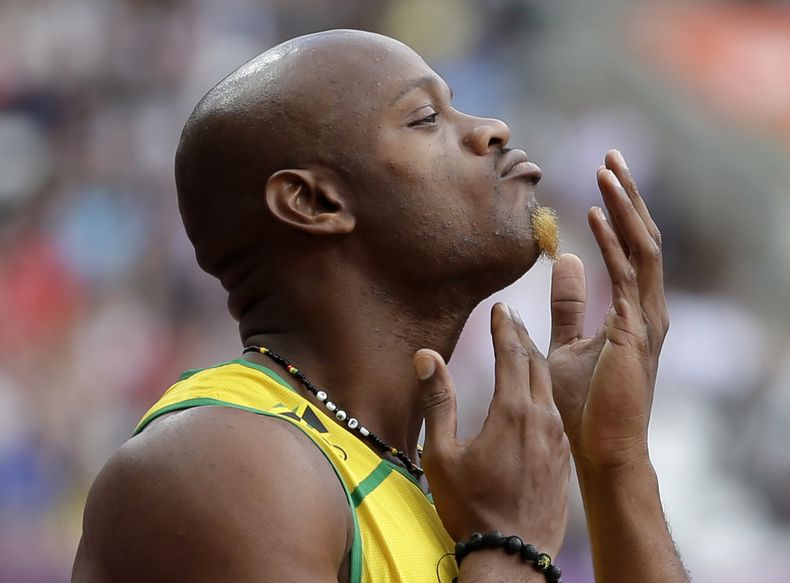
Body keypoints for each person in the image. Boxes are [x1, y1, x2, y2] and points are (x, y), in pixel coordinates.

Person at [72, 29, 689, 583]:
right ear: (314, 203)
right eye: (426, 118)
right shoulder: (220, 463)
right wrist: (511, 546)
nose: (491, 128)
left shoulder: (440, 490)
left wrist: (613, 457)